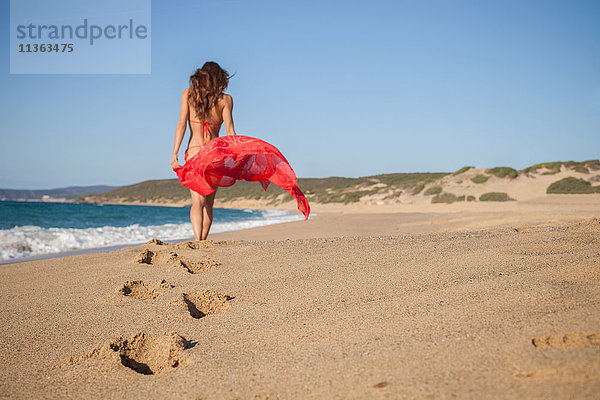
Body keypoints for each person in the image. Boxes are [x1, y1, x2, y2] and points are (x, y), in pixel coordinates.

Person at [170, 61, 235, 241]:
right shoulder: (225, 100)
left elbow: (181, 124)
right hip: (215, 153)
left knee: (196, 201)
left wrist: (174, 153)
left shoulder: (188, 95)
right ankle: (203, 240)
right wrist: (235, 155)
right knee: (209, 203)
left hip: (194, 151)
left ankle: (197, 240)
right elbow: (230, 131)